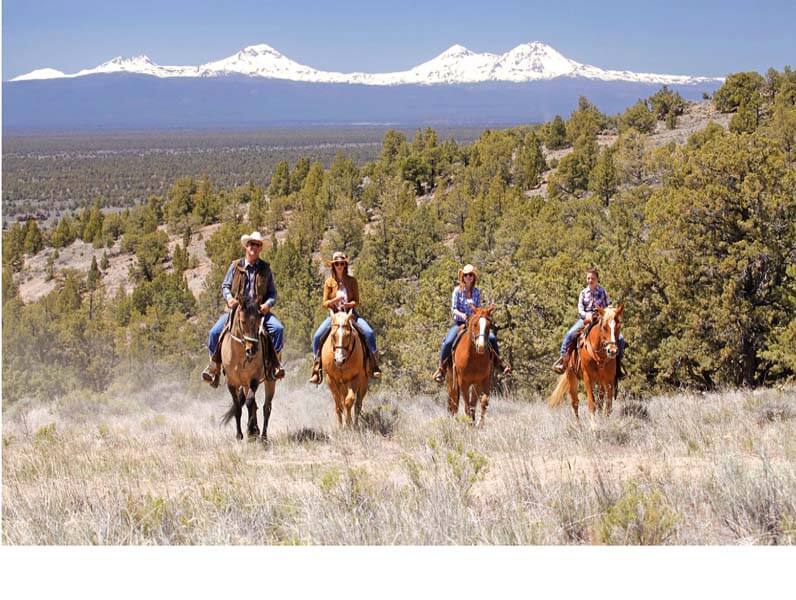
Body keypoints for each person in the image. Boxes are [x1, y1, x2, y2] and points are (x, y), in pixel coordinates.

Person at [201, 231, 285, 387]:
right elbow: (225, 286)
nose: (254, 247)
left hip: (258, 312)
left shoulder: (265, 269)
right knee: (214, 332)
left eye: (257, 245)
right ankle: (214, 367)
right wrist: (229, 299)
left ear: (260, 249)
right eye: (252, 244)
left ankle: (275, 364)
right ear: (246, 246)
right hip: (237, 311)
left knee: (278, 329)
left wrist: (267, 305)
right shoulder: (235, 266)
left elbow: (272, 293)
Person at [309, 251, 380, 384]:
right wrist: (335, 300)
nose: (339, 266)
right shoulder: (329, 283)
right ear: (333, 266)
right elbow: (324, 303)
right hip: (334, 316)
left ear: (345, 265)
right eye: (337, 264)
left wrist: (349, 304)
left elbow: (357, 301)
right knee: (317, 337)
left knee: (369, 333)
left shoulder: (352, 281)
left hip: (351, 315)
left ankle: (374, 365)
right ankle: (316, 369)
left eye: (342, 263)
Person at [432, 264, 511, 384]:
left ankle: (499, 364)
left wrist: (481, 315)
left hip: (474, 324)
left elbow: (478, 309)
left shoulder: (476, 292)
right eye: (466, 275)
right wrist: (462, 315)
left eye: (470, 275)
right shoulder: (457, 291)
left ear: (473, 277)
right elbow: (453, 308)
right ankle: (441, 369)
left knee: (492, 338)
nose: (468, 277)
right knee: (448, 341)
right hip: (460, 323)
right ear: (462, 277)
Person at [553, 268, 625, 375]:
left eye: (592, 278)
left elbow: (609, 305)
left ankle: (618, 363)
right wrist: (587, 315)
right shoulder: (583, 293)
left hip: (602, 319)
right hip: (586, 319)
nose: (590, 280)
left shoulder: (603, 292)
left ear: (597, 279)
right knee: (569, 334)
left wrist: (606, 313)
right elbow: (580, 309)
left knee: (620, 338)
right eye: (588, 278)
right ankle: (564, 360)